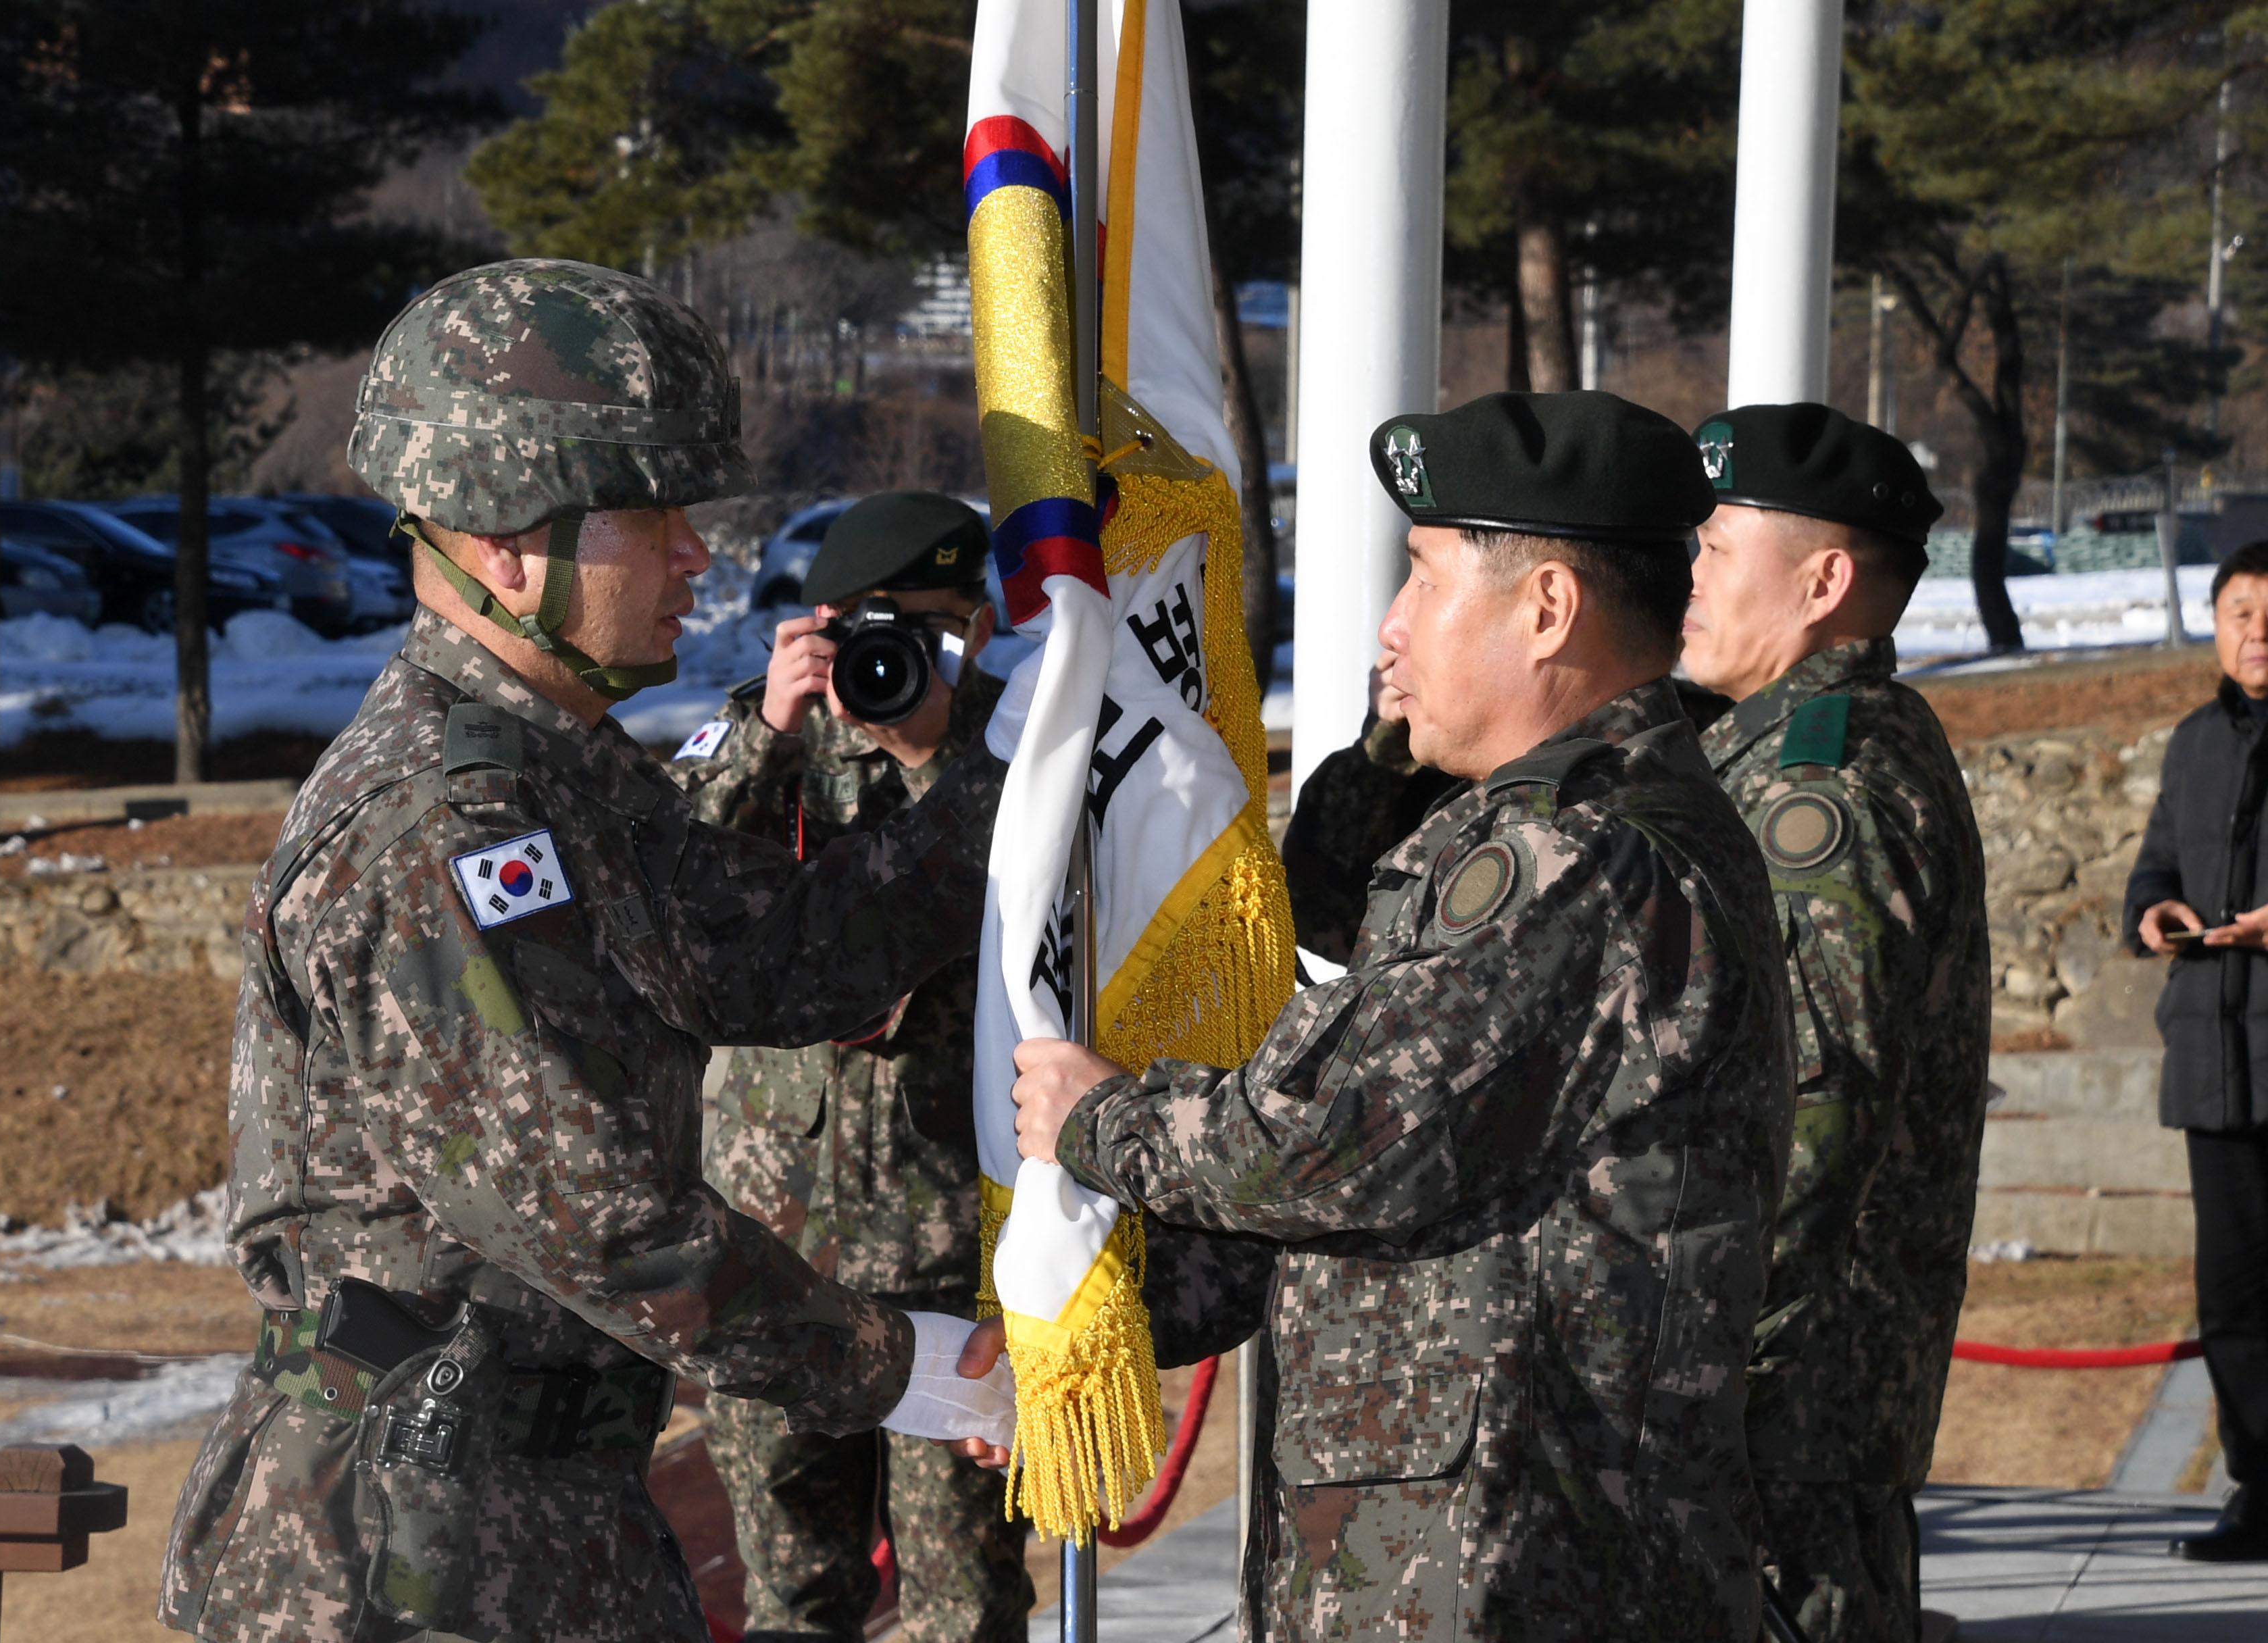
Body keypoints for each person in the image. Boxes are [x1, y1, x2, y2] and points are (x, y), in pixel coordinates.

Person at [157, 260, 1015, 1643]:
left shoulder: (560, 777)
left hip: (535, 1516)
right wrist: (901, 1364)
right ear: (506, 544)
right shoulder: (438, 820)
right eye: (651, 517)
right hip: (400, 1553)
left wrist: (992, 782)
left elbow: (784, 956)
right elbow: (598, 1215)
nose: (695, 557)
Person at [1002, 390, 1797, 1641]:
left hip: (1521, 1565)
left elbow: (1343, 1135)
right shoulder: (1546, 828)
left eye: (1423, 580)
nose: (1389, 628)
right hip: (1471, 1549)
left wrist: (1097, 1119)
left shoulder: (1580, 852)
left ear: (1546, 608)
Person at [667, 492, 1032, 1642]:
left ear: (977, 619)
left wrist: (934, 756)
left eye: (931, 626)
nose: (900, 654)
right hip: (776, 1241)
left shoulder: (1019, 747)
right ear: (824, 619)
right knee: (789, 1591)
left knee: (963, 1600)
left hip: (952, 1243)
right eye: (879, 625)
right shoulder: (758, 732)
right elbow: (662, 891)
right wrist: (765, 731)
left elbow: (1054, 901)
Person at [1679, 402, 1992, 1638]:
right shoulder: (1781, 747)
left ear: (1820, 579)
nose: (1686, 571)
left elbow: (1807, 1109)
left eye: (1714, 546)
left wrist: (1688, 1352)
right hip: (1787, 1394)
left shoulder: (1823, 783)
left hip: (1782, 1400)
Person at [2125, 534, 2268, 1563]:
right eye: (2240, 612)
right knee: (2235, 1298)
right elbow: (2154, 868)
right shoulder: (2191, 741)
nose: (2257, 631)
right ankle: (2258, 1489)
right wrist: (2155, 912)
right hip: (2216, 1064)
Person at [1278, 644, 1459, 965]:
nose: (1393, 629)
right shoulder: (1390, 767)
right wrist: (1388, 744)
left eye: (1432, 591)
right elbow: (1322, 921)